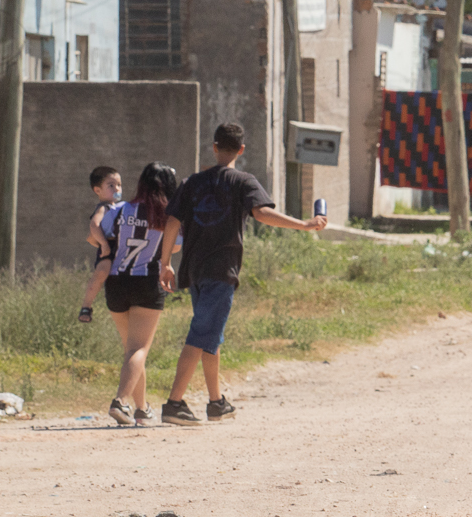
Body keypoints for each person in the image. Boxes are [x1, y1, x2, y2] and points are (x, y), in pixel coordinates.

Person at [159, 122, 326, 425]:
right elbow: (262, 213)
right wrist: (304, 225)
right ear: (242, 149)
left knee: (210, 333)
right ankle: (174, 403)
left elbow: (172, 222)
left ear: (214, 147)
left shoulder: (192, 182)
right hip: (222, 268)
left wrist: (165, 262)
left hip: (194, 269)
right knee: (201, 333)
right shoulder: (243, 181)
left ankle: (216, 402)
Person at [100, 163, 180, 426]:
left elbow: (98, 234)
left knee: (131, 350)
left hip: (116, 281)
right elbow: (175, 247)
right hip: (146, 281)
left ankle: (142, 409)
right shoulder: (169, 216)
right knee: (139, 349)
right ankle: (120, 401)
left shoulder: (119, 209)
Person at [77, 165, 124, 324]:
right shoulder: (103, 208)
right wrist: (104, 244)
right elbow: (94, 225)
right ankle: (86, 306)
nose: (117, 188)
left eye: (119, 185)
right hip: (109, 245)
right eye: (111, 185)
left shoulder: (122, 207)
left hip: (122, 246)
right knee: (102, 271)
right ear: (97, 190)